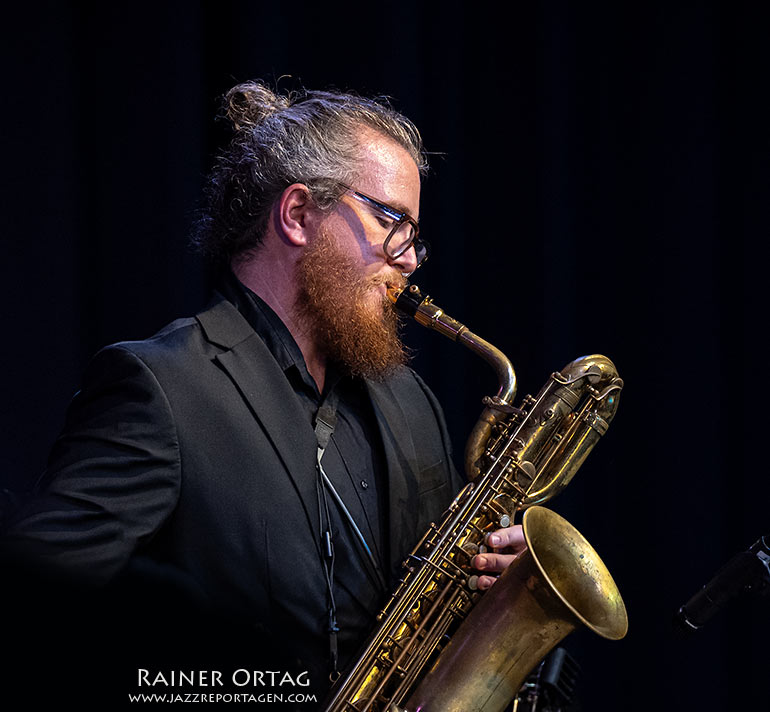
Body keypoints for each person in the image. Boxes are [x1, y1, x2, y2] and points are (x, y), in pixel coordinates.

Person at [1, 81, 525, 708]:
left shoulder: (413, 404)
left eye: (415, 235)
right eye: (392, 221)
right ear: (298, 214)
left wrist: (493, 589)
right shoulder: (162, 388)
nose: (410, 258)